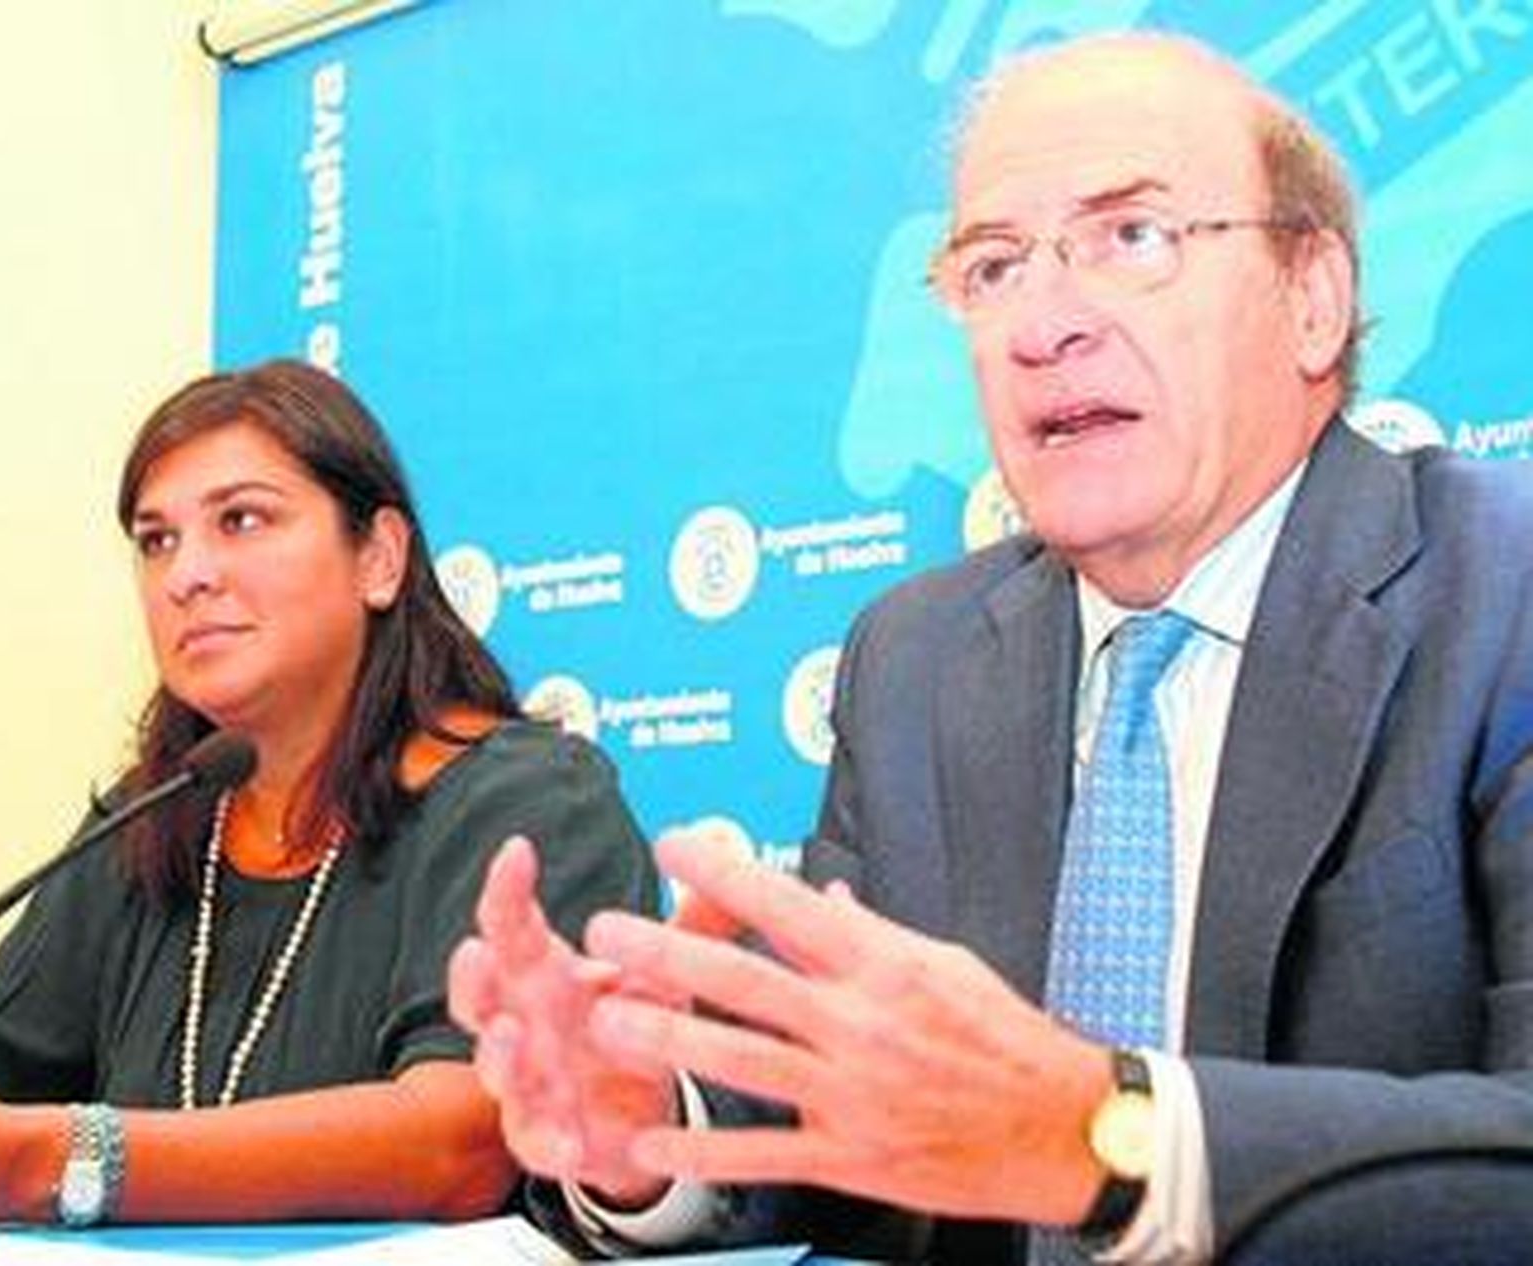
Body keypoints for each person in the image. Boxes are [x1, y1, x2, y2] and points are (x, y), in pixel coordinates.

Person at [449, 31, 1533, 1264]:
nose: (1043, 324)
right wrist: (654, 1123)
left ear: (1310, 297)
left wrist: (1108, 1139)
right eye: (994, 266)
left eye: (1131, 236)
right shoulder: (914, 659)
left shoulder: (1502, 591)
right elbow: (840, 1111)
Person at [0, 359, 659, 1230]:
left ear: (379, 558)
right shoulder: (148, 820)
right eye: (156, 540)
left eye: (241, 520)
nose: (186, 575)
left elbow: (466, 1143)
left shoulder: (527, 802)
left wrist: (56, 1161)